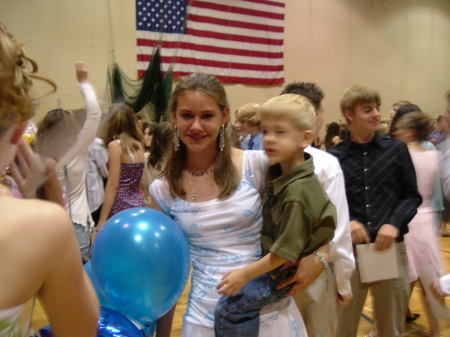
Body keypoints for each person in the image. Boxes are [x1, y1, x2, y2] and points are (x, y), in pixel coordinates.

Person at [150, 73, 310, 337]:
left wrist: (321, 257)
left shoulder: (257, 164)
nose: (197, 126)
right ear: (174, 116)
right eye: (187, 115)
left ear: (225, 116)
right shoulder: (163, 190)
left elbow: (313, 206)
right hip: (205, 319)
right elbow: (165, 275)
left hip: (266, 315)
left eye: (207, 116)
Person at [0, 23, 99, 336]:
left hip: (66, 230)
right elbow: (81, 327)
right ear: (19, 129)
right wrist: (84, 84)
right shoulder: (69, 156)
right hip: (69, 228)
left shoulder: (44, 158)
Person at [213, 94, 336, 337]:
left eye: (280, 132)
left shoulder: (297, 192)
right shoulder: (280, 171)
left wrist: (244, 274)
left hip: (280, 274)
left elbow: (284, 252)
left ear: (305, 138)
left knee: (230, 311)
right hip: (273, 262)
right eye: (266, 130)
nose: (268, 139)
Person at [329, 84, 422, 337]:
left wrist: (394, 223)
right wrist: (346, 221)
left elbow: (411, 196)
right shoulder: (333, 157)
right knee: (342, 326)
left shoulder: (396, 150)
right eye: (367, 109)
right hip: (350, 253)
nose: (376, 114)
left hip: (388, 250)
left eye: (377, 108)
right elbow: (327, 204)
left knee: (390, 327)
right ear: (349, 114)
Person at [280, 81, 355, 337]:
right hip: (313, 271)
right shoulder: (324, 163)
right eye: (321, 111)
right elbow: (338, 230)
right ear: (313, 115)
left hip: (269, 271)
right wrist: (344, 282)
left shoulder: (257, 157)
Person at [36, 62, 101, 261]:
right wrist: (83, 82)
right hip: (76, 224)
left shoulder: (39, 159)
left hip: (46, 226)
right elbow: (94, 113)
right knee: (78, 278)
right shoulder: (78, 149)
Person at [393, 111, 445, 337]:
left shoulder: (403, 154)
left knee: (405, 280)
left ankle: (383, 328)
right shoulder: (433, 154)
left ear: (411, 131)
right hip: (427, 218)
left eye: (400, 129)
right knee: (429, 281)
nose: (396, 132)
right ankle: (435, 331)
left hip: (409, 220)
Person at [97, 103, 145, 230]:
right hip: (138, 203)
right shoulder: (138, 145)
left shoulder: (116, 146)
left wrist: (102, 220)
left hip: (120, 205)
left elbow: (113, 184)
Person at [140, 122, 172, 207]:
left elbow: (142, 183)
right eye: (145, 133)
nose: (145, 137)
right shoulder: (174, 161)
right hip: (166, 206)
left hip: (148, 203)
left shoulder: (145, 157)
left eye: (150, 134)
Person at [86, 137, 108, 226]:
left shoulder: (69, 145)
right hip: (94, 199)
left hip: (83, 202)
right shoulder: (95, 145)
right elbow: (105, 172)